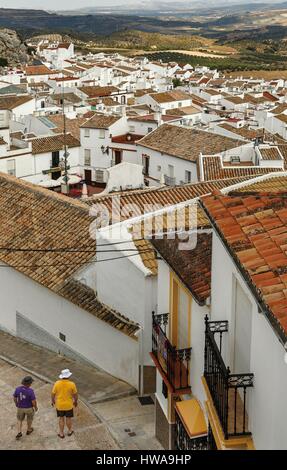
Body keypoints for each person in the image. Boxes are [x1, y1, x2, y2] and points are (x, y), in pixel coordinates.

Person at [51, 369, 78, 438]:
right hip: (68, 405)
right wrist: (75, 401)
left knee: (61, 418)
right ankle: (69, 431)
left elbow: (53, 394)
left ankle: (61, 433)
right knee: (68, 418)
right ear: (68, 376)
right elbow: (75, 395)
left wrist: (53, 401)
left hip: (59, 405)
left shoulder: (57, 383)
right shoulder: (72, 384)